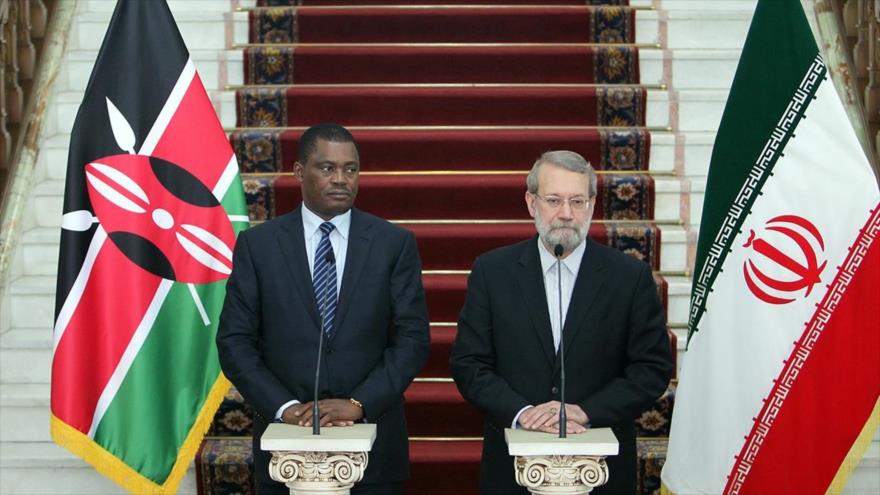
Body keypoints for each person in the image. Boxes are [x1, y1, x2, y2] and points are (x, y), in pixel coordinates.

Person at [217, 123, 430, 495]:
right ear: (300, 172)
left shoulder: (393, 244)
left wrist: (359, 404)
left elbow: (412, 340)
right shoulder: (259, 246)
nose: (341, 179)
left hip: (373, 450)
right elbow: (235, 341)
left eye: (351, 169)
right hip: (286, 447)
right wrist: (284, 408)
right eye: (327, 168)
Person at [450, 150, 673, 495]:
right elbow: (469, 363)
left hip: (602, 467)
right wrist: (523, 412)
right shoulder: (492, 272)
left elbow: (652, 368)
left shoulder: (629, 277)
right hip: (512, 466)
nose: (566, 214)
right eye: (554, 200)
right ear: (531, 202)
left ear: (593, 204)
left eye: (577, 201)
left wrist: (586, 411)